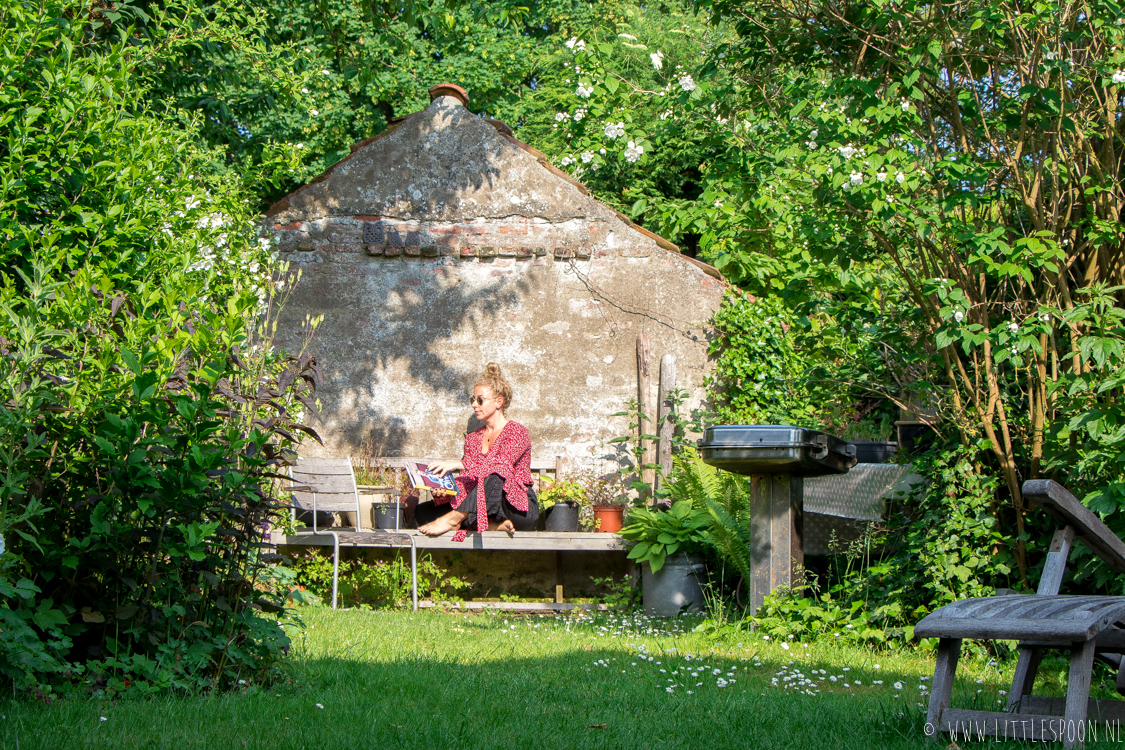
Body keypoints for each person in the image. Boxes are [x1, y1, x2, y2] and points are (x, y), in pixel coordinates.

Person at [415, 363, 539, 538]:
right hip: (481, 505)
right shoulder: (473, 438)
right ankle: (492, 525)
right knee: (423, 512)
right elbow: (470, 480)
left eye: (480, 400)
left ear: (499, 402)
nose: (474, 404)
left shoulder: (517, 432)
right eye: (472, 399)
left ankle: (454, 520)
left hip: (513, 506)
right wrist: (445, 492)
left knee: (496, 474)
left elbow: (499, 465)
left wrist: (458, 464)